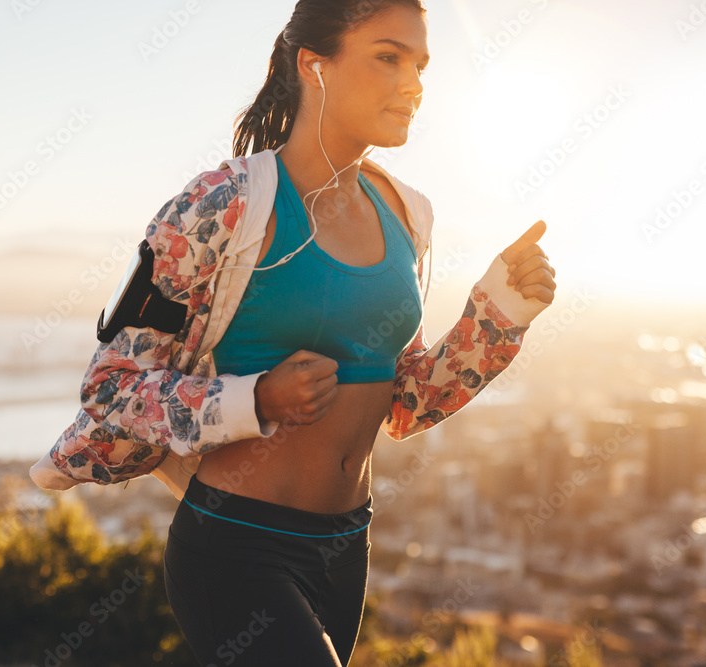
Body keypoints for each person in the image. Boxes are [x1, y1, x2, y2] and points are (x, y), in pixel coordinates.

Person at [31, 1, 556, 664]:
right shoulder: (219, 206)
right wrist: (253, 400)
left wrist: (499, 312)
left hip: (345, 549)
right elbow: (111, 389)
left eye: (420, 65)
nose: (414, 83)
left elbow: (404, 403)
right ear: (316, 65)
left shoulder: (409, 216)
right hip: (233, 547)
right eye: (388, 57)